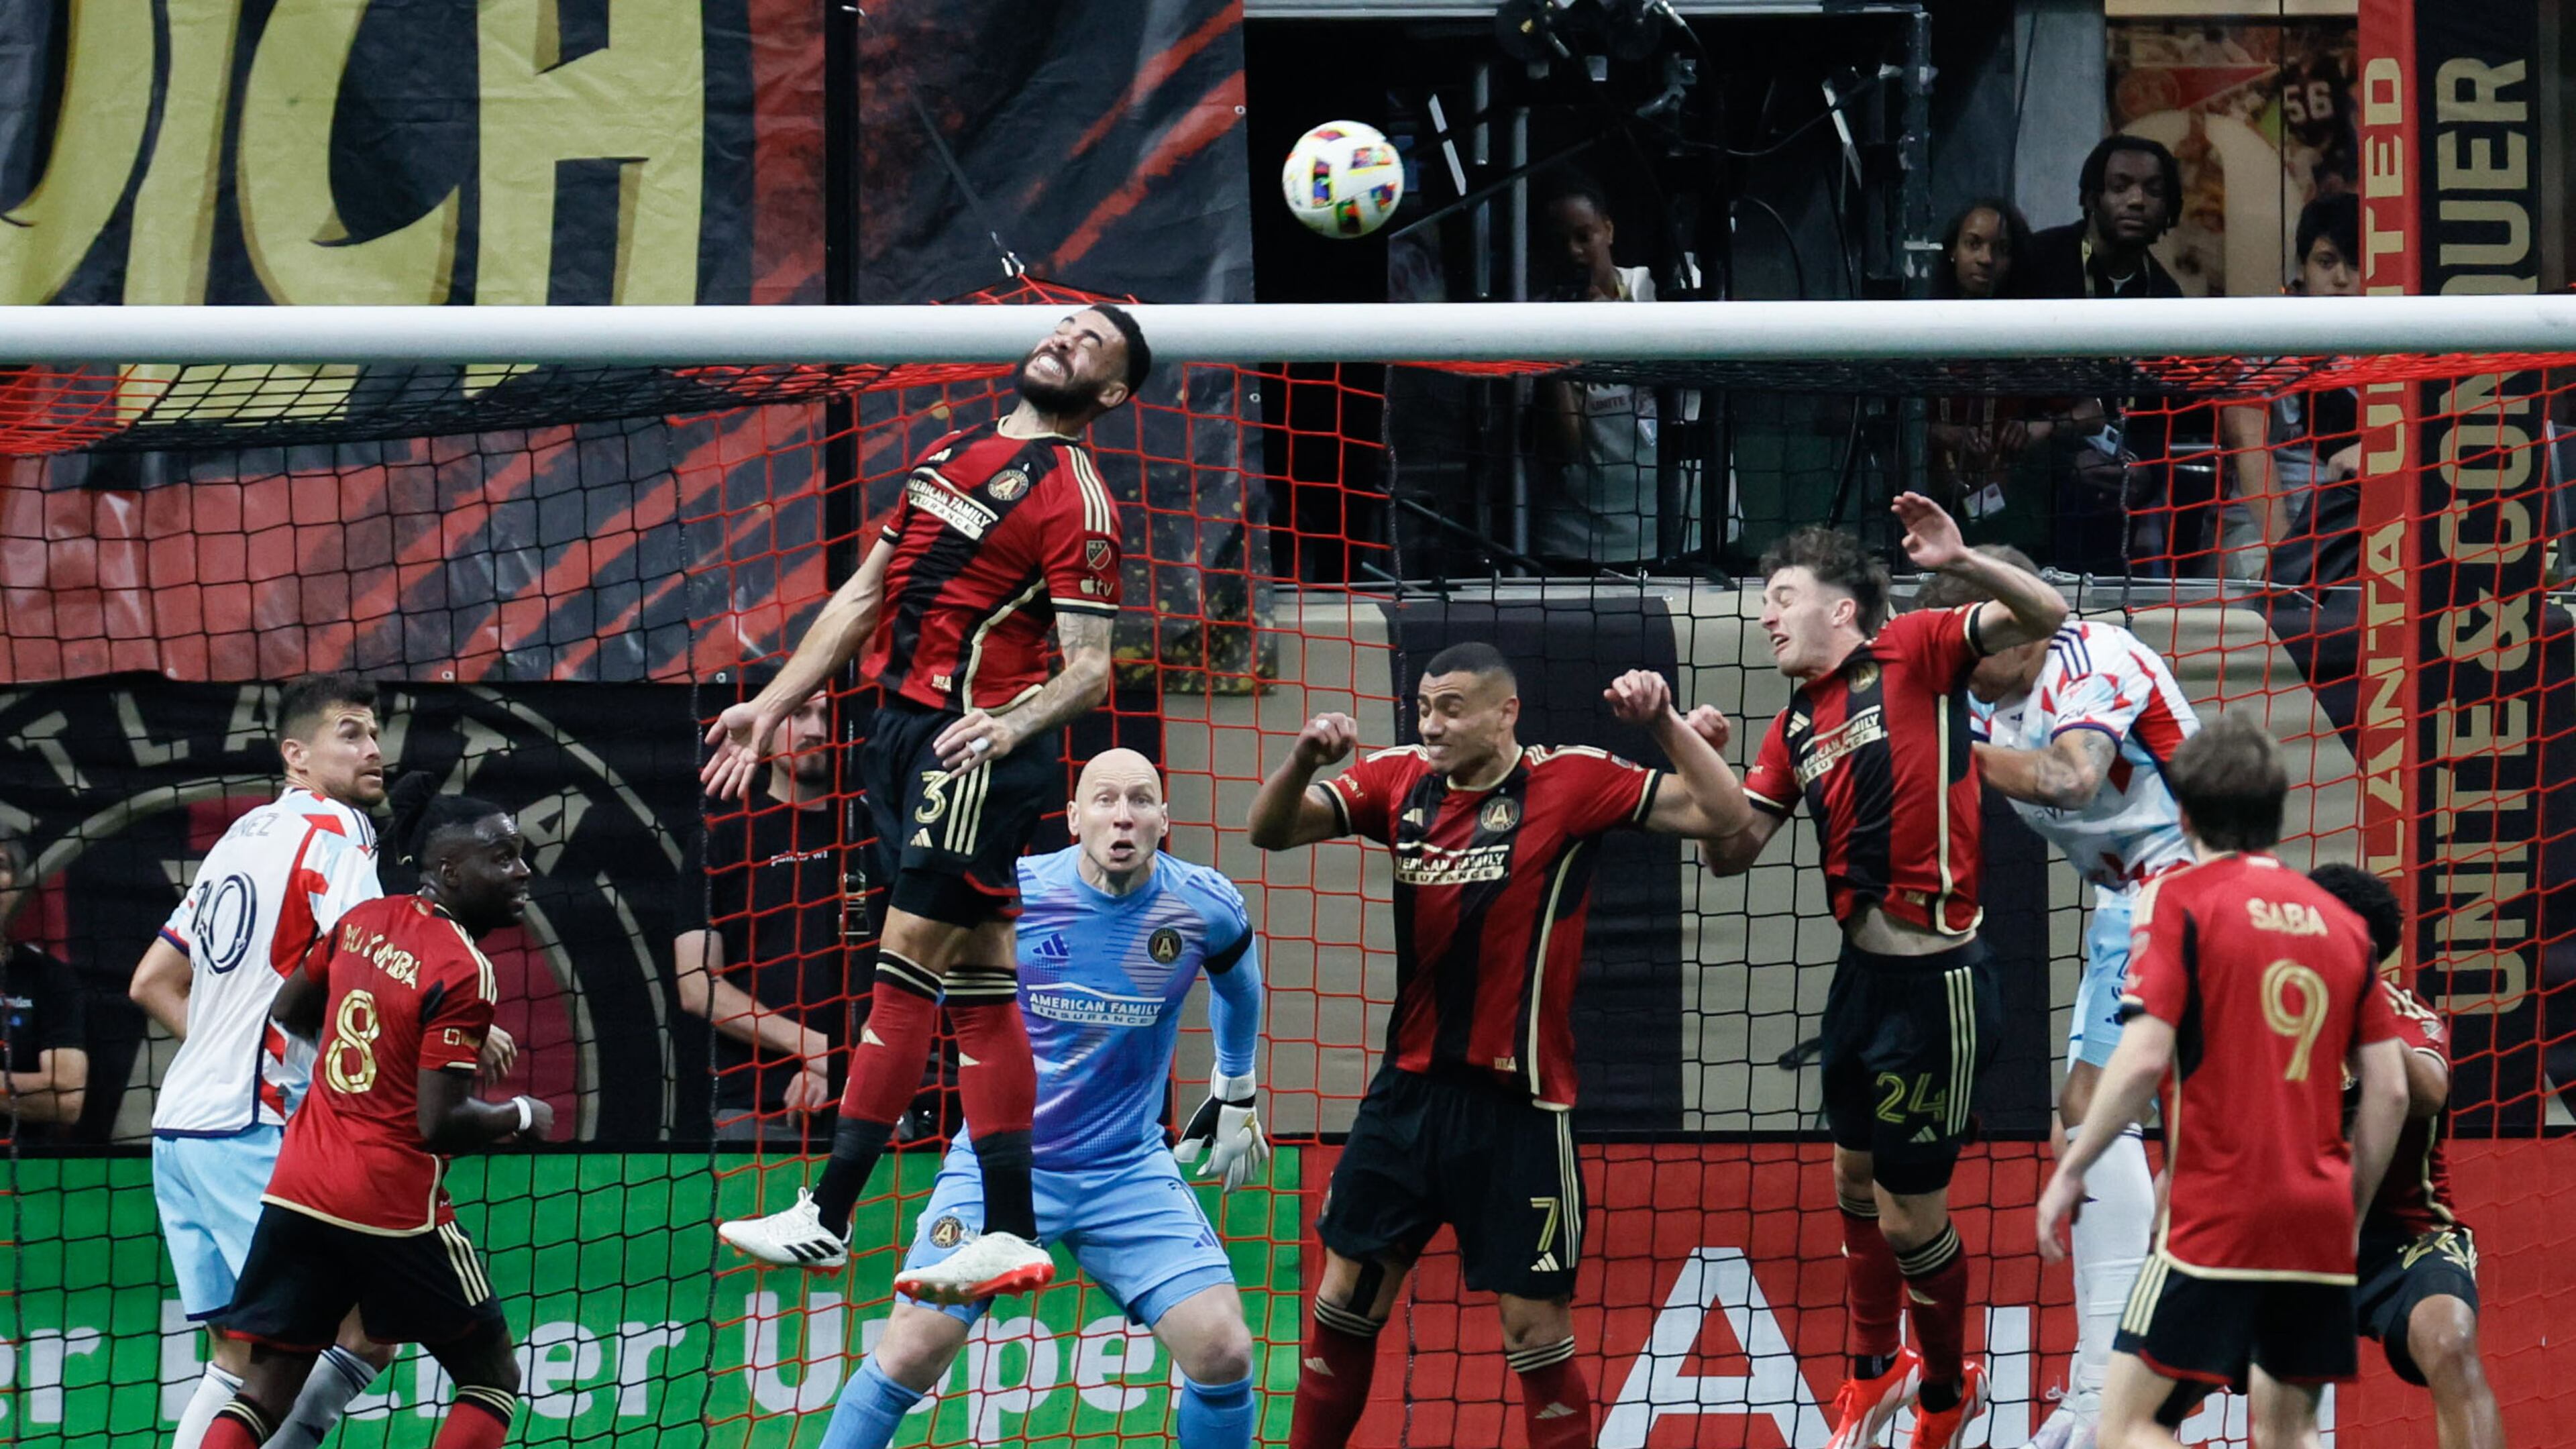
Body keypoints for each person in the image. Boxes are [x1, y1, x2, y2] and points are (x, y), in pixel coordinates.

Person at [708, 305, 1149, 1303]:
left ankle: (827, 1212)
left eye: (1091, 344)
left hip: (975, 751)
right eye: (1066, 326)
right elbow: (862, 599)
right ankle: (1010, 1231)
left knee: (904, 973)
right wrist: (771, 706)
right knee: (981, 991)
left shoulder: (1080, 501)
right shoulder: (952, 449)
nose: (1065, 339)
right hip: (899, 735)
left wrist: (1007, 725)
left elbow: (1088, 668)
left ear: (1111, 394)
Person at [1248, 645, 1756, 1449]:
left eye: (1452, 708)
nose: (1432, 725)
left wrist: (1663, 724)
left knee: (1533, 1332)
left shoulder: (1573, 780)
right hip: (1404, 1103)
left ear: (1505, 712)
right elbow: (1268, 831)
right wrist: (1305, 755)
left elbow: (1726, 818)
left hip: (1519, 1114)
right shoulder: (1396, 780)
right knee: (1344, 1304)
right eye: (1424, 707)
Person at [1697, 496, 2070, 1449]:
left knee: (1912, 1221)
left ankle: (1948, 1388)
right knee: (1850, 1178)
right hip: (1858, 985)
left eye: (1783, 597)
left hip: (1937, 988)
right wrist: (1693, 758)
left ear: (1844, 609)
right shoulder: (1795, 724)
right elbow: (1731, 851)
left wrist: (1963, 558)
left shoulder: (1917, 648)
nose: (1768, 616)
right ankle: (1873, 1370)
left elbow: (2047, 616)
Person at [823, 749, 1265, 1449]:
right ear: (1071, 819)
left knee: (1225, 1351)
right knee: (910, 1351)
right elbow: (910, 1001)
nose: (1123, 815)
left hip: (1128, 1170)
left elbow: (1241, 988)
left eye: (1141, 800)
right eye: (1105, 799)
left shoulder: (1201, 903)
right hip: (1002, 1169)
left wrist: (1235, 1087)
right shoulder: (1014, 899)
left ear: (1164, 819)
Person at [2035, 715, 2410, 1449]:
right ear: (2278, 813)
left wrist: (2071, 1169)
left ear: (2182, 812)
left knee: (2125, 1426)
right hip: (2316, 1219)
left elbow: (2143, 1055)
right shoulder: (2339, 924)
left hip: (2216, 1215)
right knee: (2290, 1434)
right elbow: (2390, 1091)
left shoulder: (2180, 900)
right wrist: (2349, 1206)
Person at [1921, 545, 2198, 1448]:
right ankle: (2118, 1383)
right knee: (2091, 1121)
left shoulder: (2095, 657)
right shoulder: (1965, 686)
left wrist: (1937, 747)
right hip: (2127, 896)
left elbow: (2069, 778)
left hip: (2186, 884)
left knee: (2097, 1118)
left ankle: (2113, 1394)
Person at [195, 774, 553, 1449]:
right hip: (388, 1206)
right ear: (448, 869)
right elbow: (438, 1123)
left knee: (263, 1391)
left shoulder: (361, 921)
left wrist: (362, 1080)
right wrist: (523, 1117)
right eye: (502, 856)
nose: (521, 869)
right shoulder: (464, 968)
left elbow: (290, 1011)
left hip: (299, 1190)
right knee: (492, 1378)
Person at [127, 675, 405, 1449]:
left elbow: (150, 981)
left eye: (375, 732)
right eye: (349, 733)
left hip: (182, 1127)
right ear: (296, 754)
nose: (374, 748)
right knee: (363, 1331)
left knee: (237, 1359)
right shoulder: (335, 832)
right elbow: (371, 963)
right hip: (252, 1130)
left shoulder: (238, 840)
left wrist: (229, 1053)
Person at [2307, 863, 2506, 1449]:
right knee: (2175, 1374)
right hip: (2291, 1232)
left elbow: (2428, 1092)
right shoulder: (2266, 1010)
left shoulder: (2405, 1012)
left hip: (2407, 1238)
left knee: (2450, 1339)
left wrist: (2356, 1011)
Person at [677, 686, 873, 1145]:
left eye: (827, 715)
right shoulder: (720, 838)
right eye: (798, 712)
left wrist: (849, 1063)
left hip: (874, 1094)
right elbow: (696, 983)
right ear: (766, 726)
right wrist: (817, 1050)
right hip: (757, 1104)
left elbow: (911, 966)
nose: (815, 729)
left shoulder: (878, 834)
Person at [2018, 136, 2192, 577]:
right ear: (2091, 196)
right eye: (2121, 186)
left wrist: (2144, 474)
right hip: (2022, 488)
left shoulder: (2168, 297)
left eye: (2154, 191)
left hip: (2107, 507)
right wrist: (2061, 449)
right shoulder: (2036, 261)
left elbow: (2163, 417)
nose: (2137, 201)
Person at [1529, 177, 1707, 569]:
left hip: (1691, 526)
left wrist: (1612, 322)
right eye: (1559, 243)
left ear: (1608, 229)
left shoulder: (1665, 285)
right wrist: (1558, 347)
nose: (1573, 252)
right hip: (1584, 540)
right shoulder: (1536, 321)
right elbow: (1566, 445)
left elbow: (1704, 364)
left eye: (1583, 236)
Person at [2219, 193, 2363, 586]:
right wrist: (2287, 564)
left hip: (2369, 528)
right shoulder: (2262, 340)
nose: (2341, 279)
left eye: (2356, 264)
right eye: (2326, 261)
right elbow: (2252, 452)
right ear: (2302, 267)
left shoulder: (2404, 343)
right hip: (2265, 532)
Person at [1927, 199, 2059, 554]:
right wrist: (1941, 434)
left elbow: (2089, 413)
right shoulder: (1919, 325)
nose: (1986, 259)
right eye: (1974, 244)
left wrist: (2039, 427)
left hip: (2013, 508)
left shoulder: (2028, 332)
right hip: (1929, 499)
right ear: (1952, 251)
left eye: (2001, 250)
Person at [0, 824, 89, 1141]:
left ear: (15, 887)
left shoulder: (49, 978)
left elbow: (68, 1100)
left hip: (28, 1171)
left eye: (1, 865)